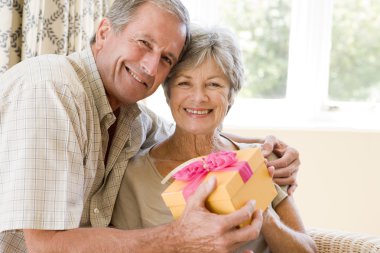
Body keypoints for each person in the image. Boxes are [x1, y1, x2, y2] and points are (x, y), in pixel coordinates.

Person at [0, 0, 299, 252]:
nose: (151, 67)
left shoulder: (131, 117)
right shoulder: (50, 90)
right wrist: (179, 237)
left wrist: (267, 147)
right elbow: (44, 246)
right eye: (144, 43)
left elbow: (187, 127)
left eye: (166, 58)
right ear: (104, 32)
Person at [111, 25, 316, 253]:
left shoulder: (263, 160)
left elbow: (307, 250)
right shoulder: (134, 175)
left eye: (214, 84)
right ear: (168, 94)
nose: (198, 97)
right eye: (184, 83)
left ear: (231, 96)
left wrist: (262, 209)